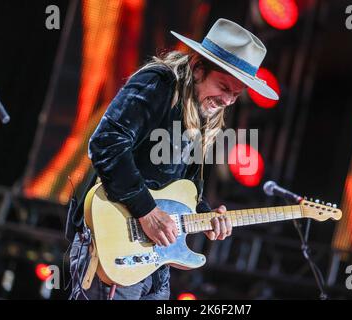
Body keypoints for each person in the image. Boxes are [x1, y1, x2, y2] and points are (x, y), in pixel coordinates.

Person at [69, 18, 279, 300]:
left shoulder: (204, 112)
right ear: (197, 68)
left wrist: (205, 215)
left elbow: (184, 183)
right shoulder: (159, 83)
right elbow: (107, 142)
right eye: (223, 87)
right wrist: (146, 211)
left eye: (236, 94)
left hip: (155, 257)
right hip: (116, 240)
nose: (228, 100)